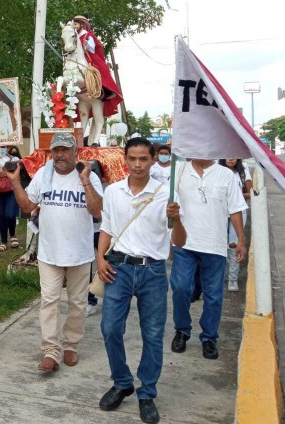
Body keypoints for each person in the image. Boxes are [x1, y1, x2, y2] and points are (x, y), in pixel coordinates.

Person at [96, 137, 187, 424]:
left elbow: (180, 241)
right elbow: (107, 229)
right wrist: (100, 259)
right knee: (110, 328)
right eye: (132, 158)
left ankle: (147, 392)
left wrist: (178, 218)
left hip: (153, 272)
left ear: (152, 160)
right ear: (125, 159)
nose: (137, 164)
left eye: (143, 159)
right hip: (118, 268)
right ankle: (122, 382)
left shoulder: (165, 194)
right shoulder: (113, 192)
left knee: (152, 334)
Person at [4, 131, 103, 372]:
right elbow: (28, 206)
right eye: (56, 150)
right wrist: (15, 182)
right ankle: (51, 350)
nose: (60, 155)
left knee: (78, 302)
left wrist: (86, 181)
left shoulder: (88, 176)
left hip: (80, 253)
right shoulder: (43, 175)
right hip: (50, 252)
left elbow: (97, 211)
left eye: (65, 150)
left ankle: (70, 345)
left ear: (74, 152)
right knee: (49, 301)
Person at [170, 158, 247, 360]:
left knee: (213, 295)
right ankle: (182, 330)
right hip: (184, 242)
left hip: (214, 244)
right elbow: (165, 199)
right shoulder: (179, 170)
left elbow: (235, 209)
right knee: (181, 288)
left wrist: (241, 239)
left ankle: (209, 337)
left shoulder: (226, 175)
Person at [71, 16, 123, 118]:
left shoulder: (88, 35)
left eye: (76, 24)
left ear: (82, 25)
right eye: (74, 24)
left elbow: (93, 49)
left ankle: (105, 90)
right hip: (76, 59)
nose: (75, 26)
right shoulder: (73, 36)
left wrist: (86, 46)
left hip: (89, 56)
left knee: (101, 69)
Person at [218, 158, 252, 292]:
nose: (230, 158)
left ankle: (233, 279)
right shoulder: (217, 170)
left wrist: (235, 194)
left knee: (234, 245)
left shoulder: (243, 170)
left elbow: (251, 192)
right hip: (219, 212)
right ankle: (222, 276)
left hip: (238, 212)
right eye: (227, 155)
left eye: (234, 155)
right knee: (220, 245)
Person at [0, 146, 28, 251]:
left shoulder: (14, 159)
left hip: (11, 191)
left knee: (10, 215)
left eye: (5, 147)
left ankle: (12, 235)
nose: (3, 149)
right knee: (1, 216)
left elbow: (19, 173)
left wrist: (8, 169)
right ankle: (3, 241)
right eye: (1, 147)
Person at [86, 159, 107, 317]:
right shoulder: (82, 179)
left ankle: (97, 297)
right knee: (87, 267)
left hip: (101, 231)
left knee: (104, 264)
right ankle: (89, 299)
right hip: (86, 231)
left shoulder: (110, 187)